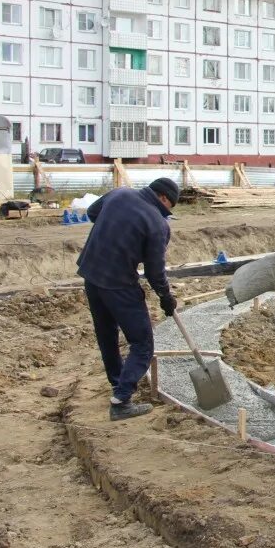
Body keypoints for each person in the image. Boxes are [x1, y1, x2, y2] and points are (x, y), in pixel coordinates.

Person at [76, 178, 180, 421]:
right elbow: (155, 272)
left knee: (107, 336)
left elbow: (93, 213)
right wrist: (166, 297)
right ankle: (122, 401)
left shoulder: (119, 194)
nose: (166, 213)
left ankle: (117, 385)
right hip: (119, 284)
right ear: (163, 198)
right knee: (142, 344)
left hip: (91, 274)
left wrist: (114, 232)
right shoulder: (157, 224)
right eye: (168, 208)